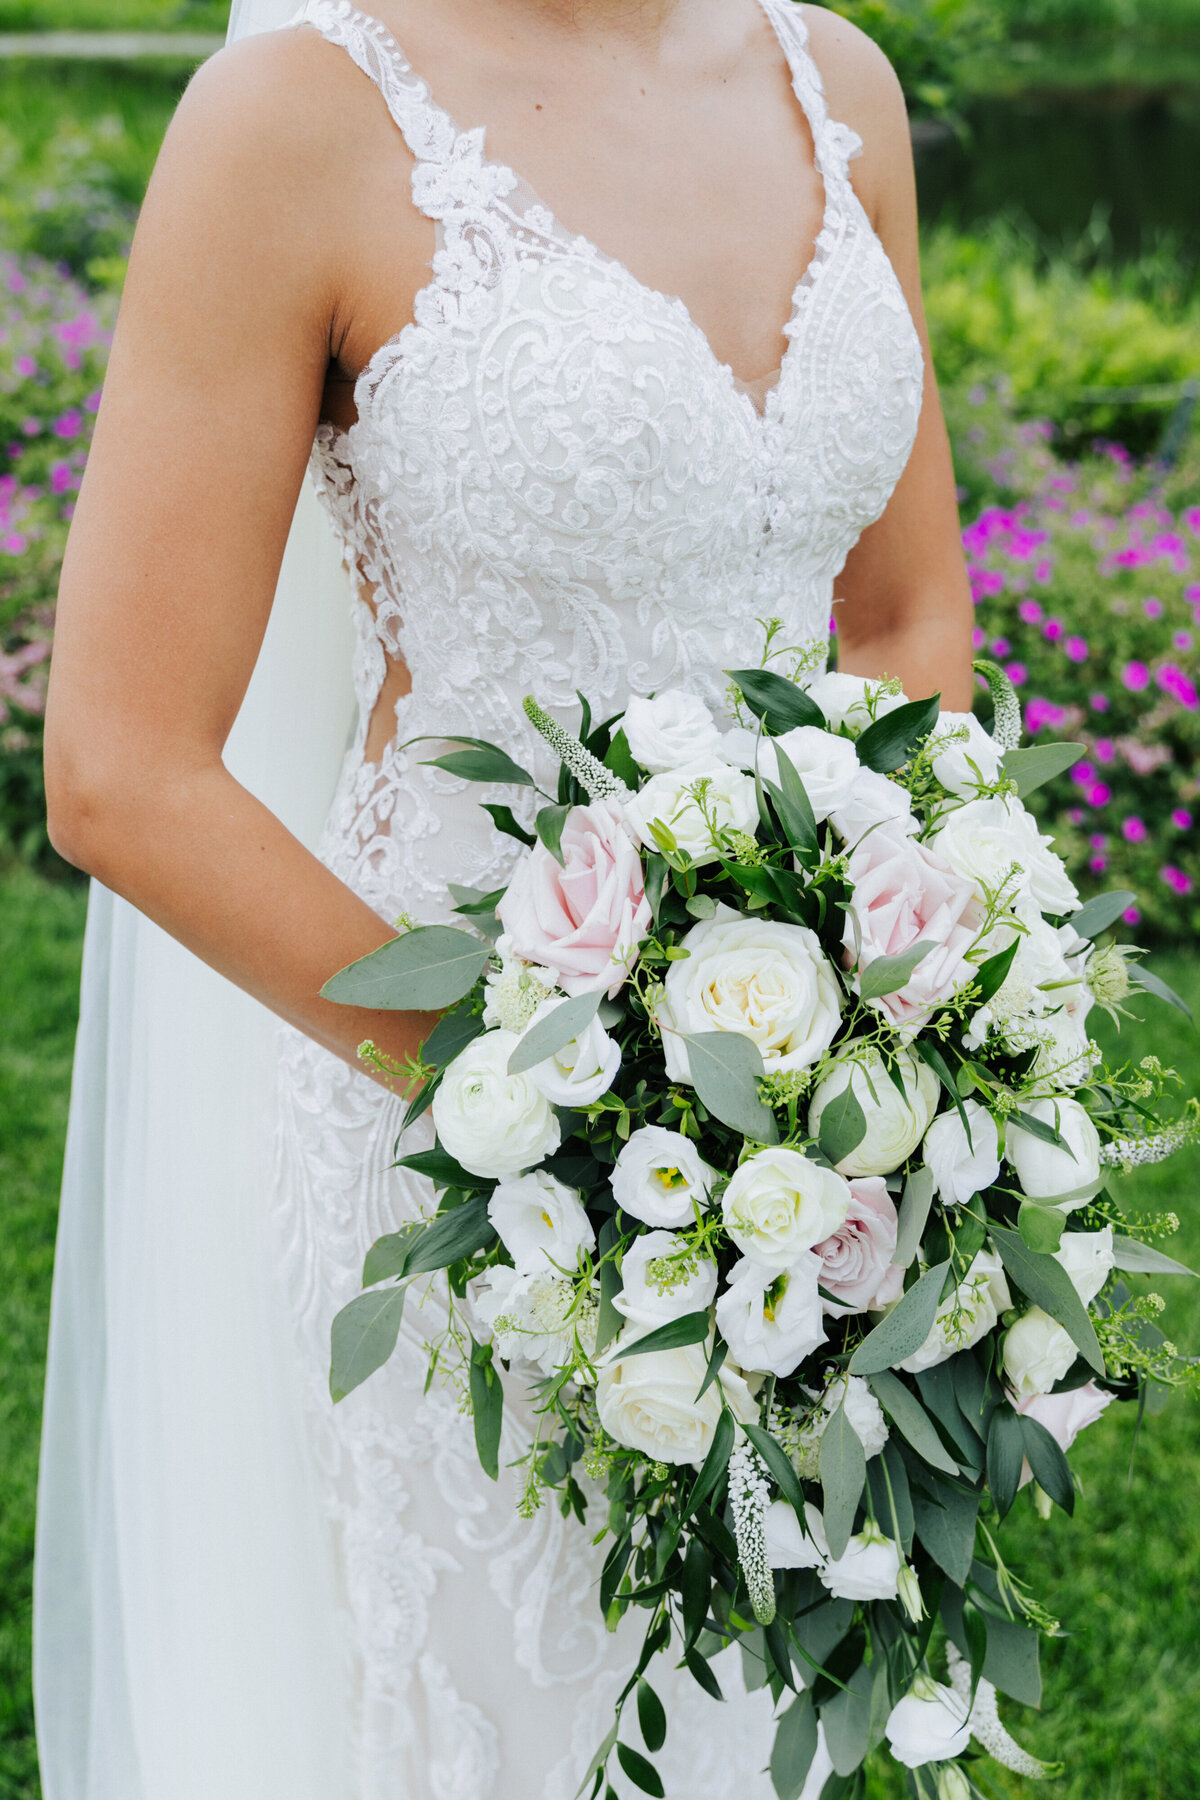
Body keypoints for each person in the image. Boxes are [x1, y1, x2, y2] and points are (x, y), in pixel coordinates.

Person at [35, 0, 974, 1794]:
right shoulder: (297, 121)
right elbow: (123, 768)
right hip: (448, 1124)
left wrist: (892, 1040)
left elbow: (903, 618)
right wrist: (581, 1126)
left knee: (752, 1702)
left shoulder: (834, 82)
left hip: (818, 1140)